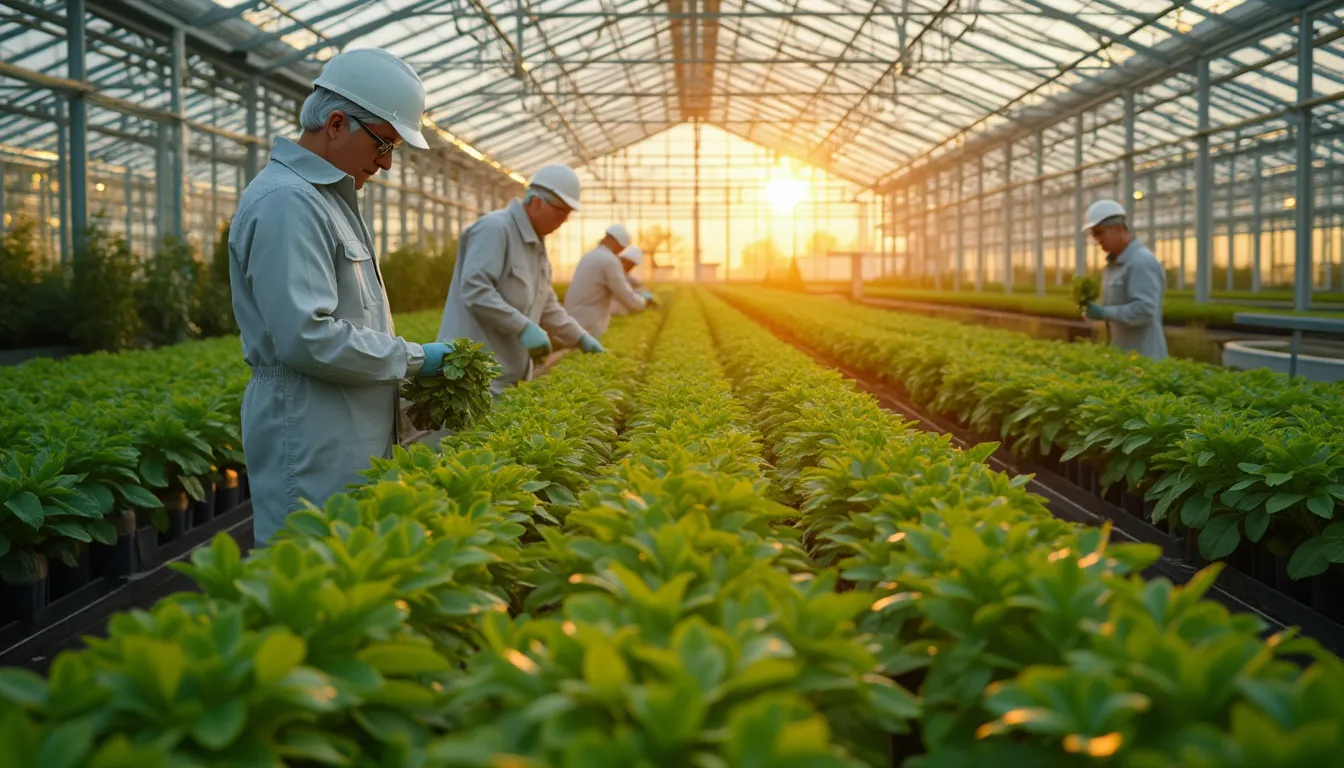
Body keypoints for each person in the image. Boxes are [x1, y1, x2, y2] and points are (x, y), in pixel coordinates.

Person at [229, 48, 455, 544]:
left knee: (348, 582)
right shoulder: (287, 202)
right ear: (336, 124)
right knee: (309, 579)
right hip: (312, 435)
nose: (388, 163)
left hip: (345, 432)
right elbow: (305, 337)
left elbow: (350, 321)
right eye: (384, 144)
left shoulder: (326, 199)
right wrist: (418, 359)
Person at [437, 164, 604, 395]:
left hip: (507, 375)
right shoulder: (495, 229)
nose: (564, 221)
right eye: (561, 212)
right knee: (466, 432)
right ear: (536, 202)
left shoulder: (537, 246)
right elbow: (476, 289)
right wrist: (523, 327)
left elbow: (547, 305)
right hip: (472, 377)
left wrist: (580, 337)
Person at [1081, 199, 1168, 361]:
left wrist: (1105, 312)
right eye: (1094, 234)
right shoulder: (1113, 266)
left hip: (1145, 358)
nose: (1097, 239)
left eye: (1100, 232)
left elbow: (1144, 310)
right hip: (1124, 357)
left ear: (1119, 228)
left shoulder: (1141, 262)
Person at [565, 224, 655, 336]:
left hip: (573, 318)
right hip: (588, 322)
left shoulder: (590, 255)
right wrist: (643, 303)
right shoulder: (609, 261)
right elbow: (625, 295)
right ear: (618, 244)